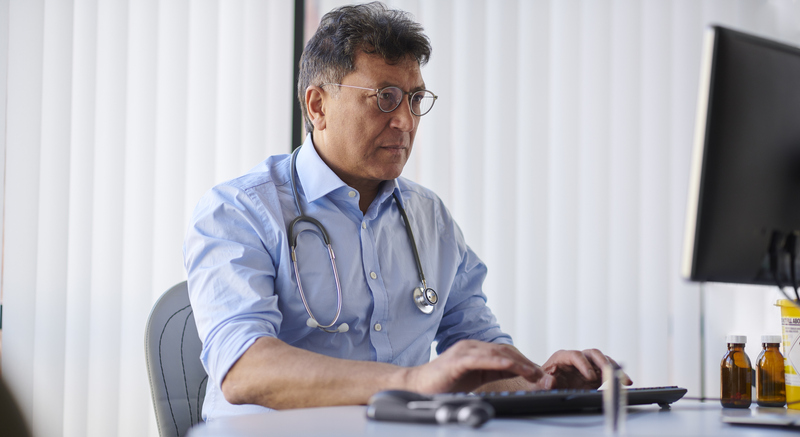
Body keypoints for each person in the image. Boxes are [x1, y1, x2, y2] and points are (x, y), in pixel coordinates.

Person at [184, 1, 631, 422]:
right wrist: (413, 382)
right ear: (317, 105)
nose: (406, 121)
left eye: (415, 100)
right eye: (385, 97)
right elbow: (244, 369)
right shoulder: (239, 210)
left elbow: (477, 354)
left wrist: (542, 381)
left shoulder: (428, 217)